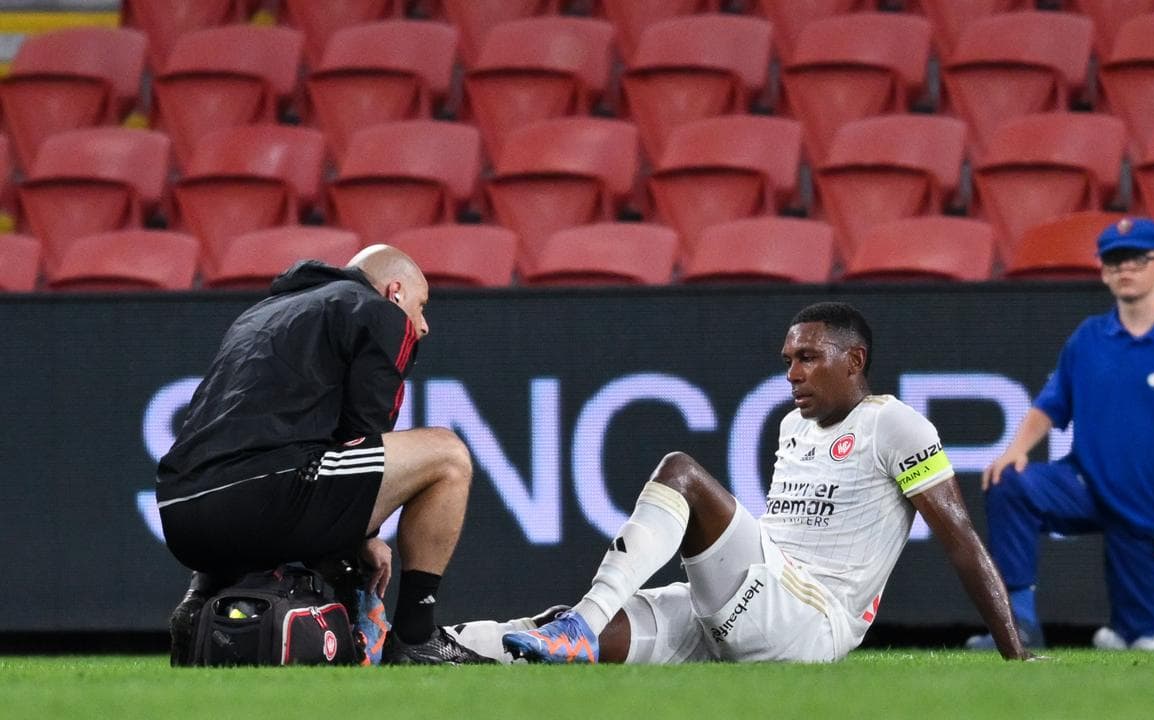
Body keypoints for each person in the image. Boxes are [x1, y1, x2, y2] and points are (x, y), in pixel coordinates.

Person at [483, 302, 1034, 664]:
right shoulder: (792, 426)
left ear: (855, 360)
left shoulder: (896, 425)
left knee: (681, 473)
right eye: (789, 359)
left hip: (815, 616)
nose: (792, 374)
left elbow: (961, 541)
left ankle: (580, 622)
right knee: (555, 632)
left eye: (808, 358)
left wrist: (1017, 654)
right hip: (764, 599)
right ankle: (437, 645)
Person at [157, 244, 491, 665]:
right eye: (421, 307)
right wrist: (364, 536)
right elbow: (364, 434)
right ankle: (417, 637)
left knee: (269, 465)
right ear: (395, 293)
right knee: (447, 455)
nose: (423, 326)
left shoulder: (262, 312)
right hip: (263, 498)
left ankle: (201, 597)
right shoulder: (376, 311)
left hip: (179, 514)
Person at [966, 217, 1154, 651]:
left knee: (1145, 640)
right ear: (1104, 272)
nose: (1125, 269)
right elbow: (1050, 404)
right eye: (1114, 261)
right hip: (1086, 484)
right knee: (1009, 483)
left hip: (1152, 506)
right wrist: (1014, 449)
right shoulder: (1089, 337)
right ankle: (1017, 621)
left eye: (1136, 259)